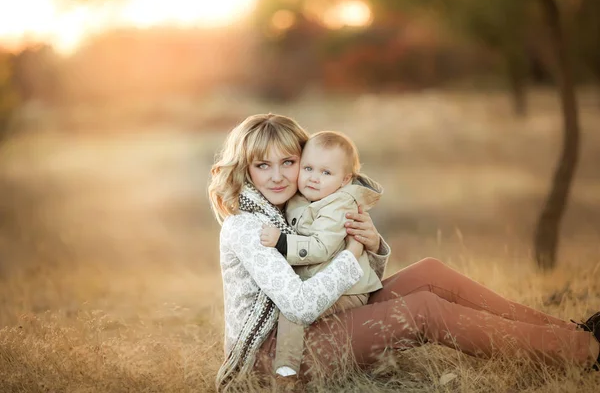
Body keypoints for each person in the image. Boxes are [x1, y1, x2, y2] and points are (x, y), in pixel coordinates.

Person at [208, 113, 600, 392]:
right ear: (245, 170)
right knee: (424, 310)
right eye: (263, 166)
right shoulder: (246, 227)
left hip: (323, 321)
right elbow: (300, 305)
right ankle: (586, 352)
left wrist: (372, 245)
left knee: (429, 273)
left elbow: (342, 278)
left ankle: (572, 332)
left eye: (289, 162)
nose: (277, 175)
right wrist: (351, 252)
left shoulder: (299, 206)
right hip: (272, 361)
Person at [259, 131, 384, 377]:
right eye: (308, 168)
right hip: (324, 282)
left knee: (293, 311)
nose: (314, 178)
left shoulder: (339, 205)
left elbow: (321, 247)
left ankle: (287, 370)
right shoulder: (302, 197)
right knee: (298, 308)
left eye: (326, 173)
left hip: (349, 289)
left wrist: (282, 242)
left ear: (345, 180)